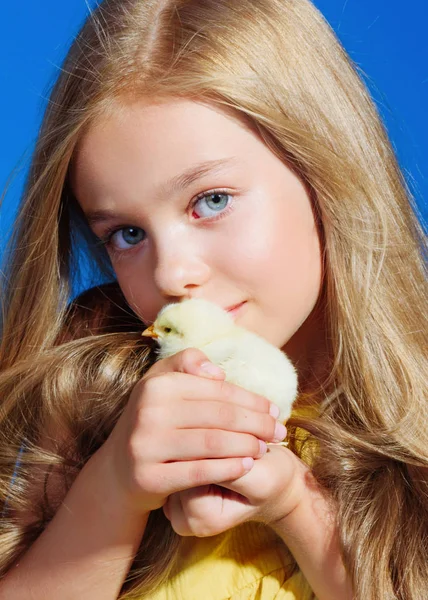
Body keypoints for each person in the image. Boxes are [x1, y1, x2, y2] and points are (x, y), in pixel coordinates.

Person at [0, 0, 426, 598]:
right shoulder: (97, 367)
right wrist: (114, 486)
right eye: (127, 234)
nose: (172, 273)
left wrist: (290, 502)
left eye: (213, 200)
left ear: (324, 170)